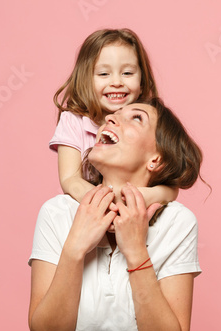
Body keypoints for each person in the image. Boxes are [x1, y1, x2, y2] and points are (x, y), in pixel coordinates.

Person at [28, 98, 205, 331]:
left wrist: (136, 252)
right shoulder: (56, 213)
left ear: (156, 160)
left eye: (136, 117)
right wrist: (74, 248)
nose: (109, 118)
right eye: (114, 114)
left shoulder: (177, 223)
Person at [50, 28, 178, 206]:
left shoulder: (149, 122)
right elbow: (70, 179)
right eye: (103, 74)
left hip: (134, 212)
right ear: (85, 80)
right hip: (90, 212)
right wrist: (108, 206)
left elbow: (171, 188)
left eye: (127, 73)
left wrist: (144, 197)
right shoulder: (74, 121)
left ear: (141, 82)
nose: (116, 82)